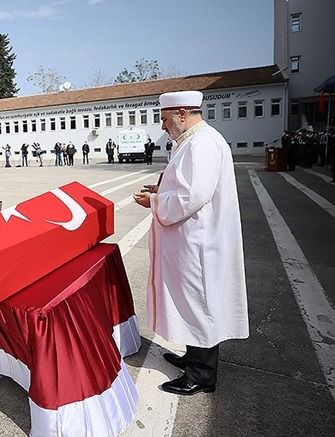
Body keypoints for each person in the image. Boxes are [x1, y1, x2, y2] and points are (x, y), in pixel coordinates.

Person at [133, 90, 248, 396]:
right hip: (194, 240)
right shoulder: (193, 141)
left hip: (200, 243)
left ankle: (202, 375)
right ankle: (193, 358)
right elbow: (189, 185)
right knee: (192, 301)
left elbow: (190, 197)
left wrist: (154, 201)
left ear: (182, 114)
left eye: (165, 118)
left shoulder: (202, 144)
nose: (162, 126)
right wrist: (162, 187)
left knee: (200, 303)